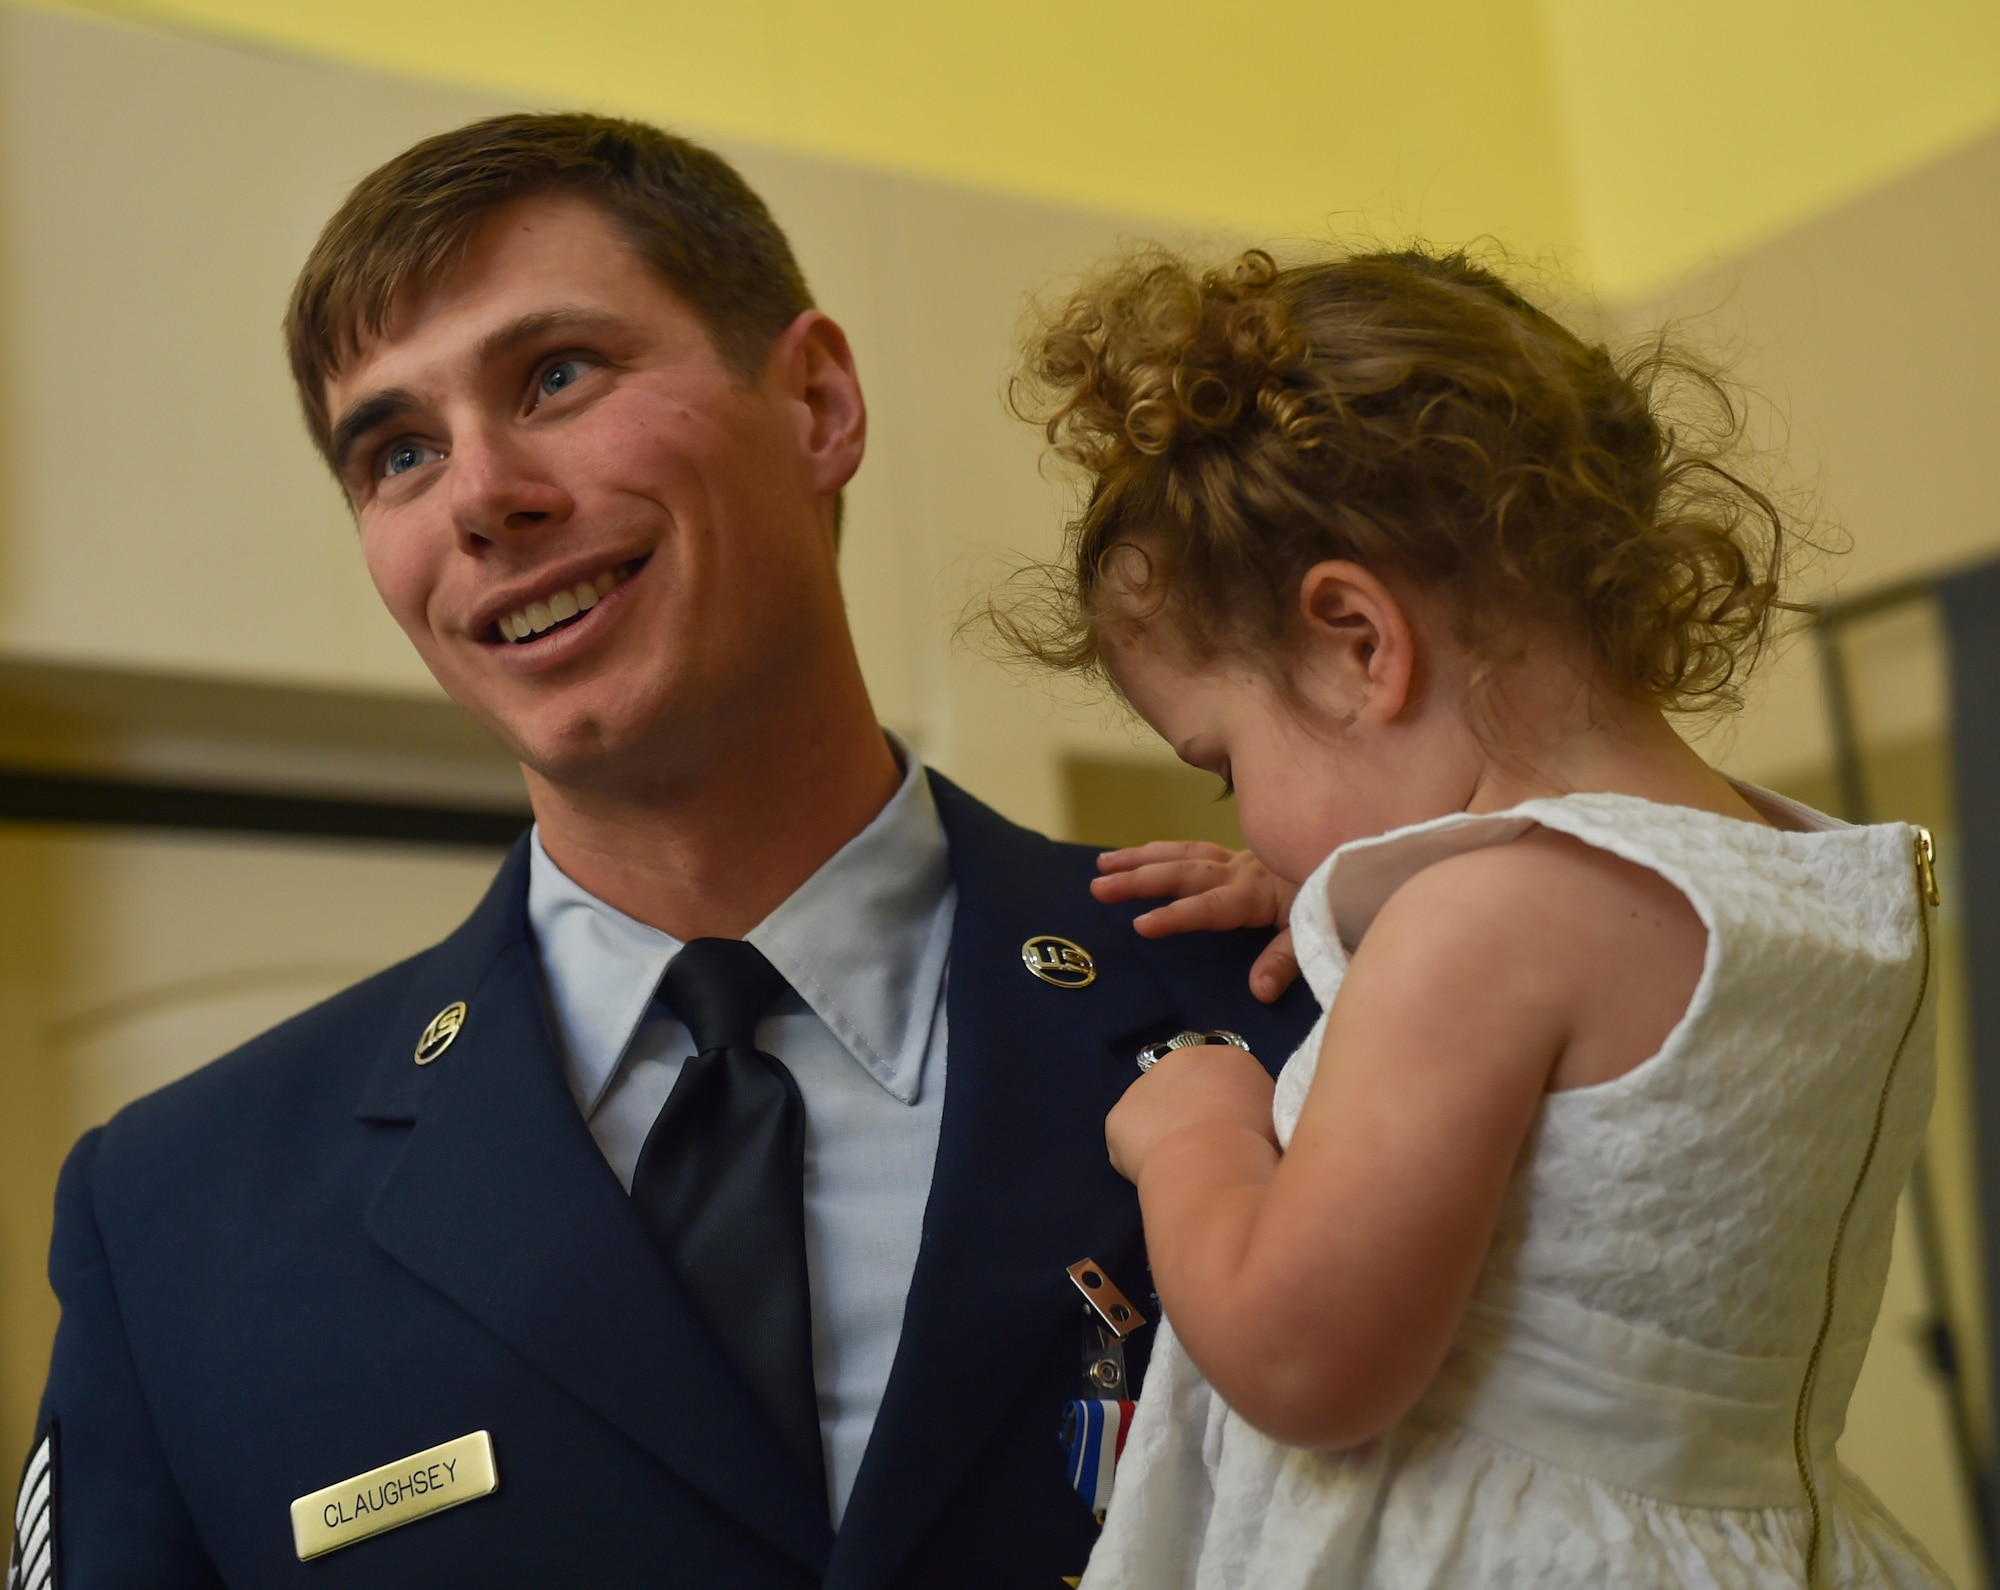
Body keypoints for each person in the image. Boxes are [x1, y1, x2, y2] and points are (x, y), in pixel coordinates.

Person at [8, 115, 1313, 1588]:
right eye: (398, 450)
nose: (482, 495)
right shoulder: (176, 1213)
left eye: (556, 375)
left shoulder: (1290, 996)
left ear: (816, 401)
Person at [999, 244, 1954, 1587]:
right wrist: (1339, 898)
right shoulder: (1801, 881)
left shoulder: (1481, 927)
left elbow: (1299, 1353)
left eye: (1225, 765)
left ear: (1356, 642)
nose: (1240, 822)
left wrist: (1196, 1134)